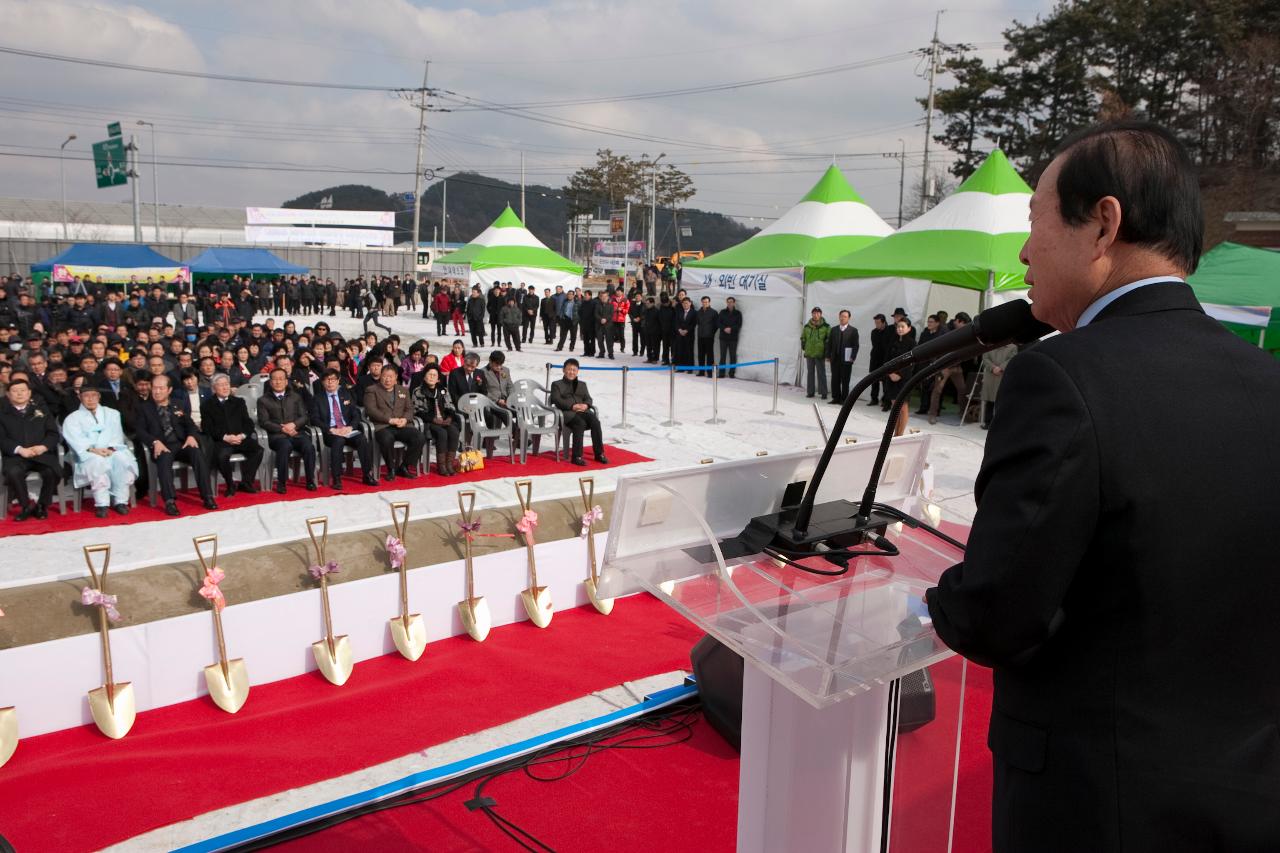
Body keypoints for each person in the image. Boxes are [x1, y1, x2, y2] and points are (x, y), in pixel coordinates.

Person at [926, 121, 1280, 852]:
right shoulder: (1266, 383)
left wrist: (936, 599)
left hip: (1096, 807)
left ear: (1103, 225)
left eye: (1036, 220)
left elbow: (996, 614)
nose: (1024, 251)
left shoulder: (1062, 375)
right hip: (1246, 800)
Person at [137, 374, 218, 515]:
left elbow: (190, 424)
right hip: (162, 445)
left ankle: (207, 496)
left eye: (161, 388)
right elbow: (140, 431)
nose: (156, 391)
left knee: (197, 453)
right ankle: (169, 501)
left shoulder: (178, 404)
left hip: (181, 443)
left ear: (169, 390)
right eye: (154, 388)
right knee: (163, 459)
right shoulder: (144, 408)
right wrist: (154, 442)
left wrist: (192, 436)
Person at [63, 385, 138, 517]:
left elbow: (117, 436)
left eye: (94, 395)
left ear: (99, 396)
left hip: (110, 450)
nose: (90, 399)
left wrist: (110, 449)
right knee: (97, 462)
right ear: (80, 397)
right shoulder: (72, 418)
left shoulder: (112, 413)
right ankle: (102, 503)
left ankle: (120, 501)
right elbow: (75, 440)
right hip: (88, 454)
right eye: (86, 396)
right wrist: (93, 450)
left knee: (122, 460)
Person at [0, 378, 61, 520]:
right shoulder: (2, 413)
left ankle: (42, 505)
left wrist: (43, 447)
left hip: (40, 454)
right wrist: (19, 449)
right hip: (16, 456)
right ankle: (25, 505)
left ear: (29, 393)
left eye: (23, 390)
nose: (19, 394)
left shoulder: (42, 410)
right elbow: (1, 439)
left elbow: (53, 433)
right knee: (13, 472)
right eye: (14, 391)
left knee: (52, 471)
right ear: (8, 395)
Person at [311, 368, 376, 490]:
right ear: (323, 382)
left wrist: (350, 427)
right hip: (331, 432)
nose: (330, 382)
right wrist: (331, 430)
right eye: (327, 380)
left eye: (333, 379)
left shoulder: (345, 394)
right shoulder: (317, 398)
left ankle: (367, 474)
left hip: (347, 429)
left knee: (362, 439)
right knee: (338, 441)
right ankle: (336, 478)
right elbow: (314, 419)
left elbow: (356, 414)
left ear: (338, 381)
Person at [200, 374, 264, 497]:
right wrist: (225, 437)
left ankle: (246, 482)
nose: (225, 388)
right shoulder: (207, 405)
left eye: (226, 385)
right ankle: (230, 484)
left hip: (240, 438)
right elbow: (207, 428)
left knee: (258, 450)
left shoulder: (239, 402)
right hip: (221, 440)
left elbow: (248, 422)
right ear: (214, 388)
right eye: (221, 385)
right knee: (222, 456)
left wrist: (243, 435)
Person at [256, 368, 318, 494]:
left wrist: (294, 424)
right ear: (270, 382)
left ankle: (310, 480)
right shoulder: (263, 400)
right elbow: (264, 422)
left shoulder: (296, 397)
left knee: (309, 447)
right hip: (277, 436)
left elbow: (304, 416)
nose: (278, 382)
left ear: (286, 381)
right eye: (274, 379)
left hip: (297, 433)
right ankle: (281, 482)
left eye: (281, 379)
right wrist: (282, 428)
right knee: (285, 446)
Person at [363, 364, 425, 482]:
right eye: (385, 376)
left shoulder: (403, 390)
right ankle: (391, 468)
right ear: (381, 376)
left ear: (396, 377)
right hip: (382, 426)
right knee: (387, 439)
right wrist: (389, 420)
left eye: (390, 377)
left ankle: (404, 466)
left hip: (401, 425)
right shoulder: (371, 390)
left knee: (419, 437)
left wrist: (405, 419)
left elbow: (410, 409)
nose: (387, 379)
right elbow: (371, 410)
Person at [549, 359, 607, 466]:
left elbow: (588, 398)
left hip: (584, 412)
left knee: (595, 422)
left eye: (574, 370)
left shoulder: (582, 384)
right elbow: (556, 400)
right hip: (567, 414)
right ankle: (577, 456)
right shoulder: (556, 384)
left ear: (577, 371)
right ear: (563, 370)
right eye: (569, 369)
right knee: (580, 423)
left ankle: (599, 454)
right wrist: (572, 406)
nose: (571, 372)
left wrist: (586, 405)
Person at [410, 364, 459, 476]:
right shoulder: (418, 391)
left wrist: (450, 417)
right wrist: (433, 419)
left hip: (444, 420)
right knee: (442, 433)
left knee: (454, 431)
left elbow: (450, 405)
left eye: (434, 375)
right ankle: (441, 465)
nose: (432, 377)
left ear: (438, 379)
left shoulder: (443, 390)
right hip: (429, 422)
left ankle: (449, 464)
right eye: (429, 374)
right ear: (424, 377)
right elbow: (417, 410)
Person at [927, 313, 971, 424]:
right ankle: (932, 414)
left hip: (957, 365)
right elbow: (939, 347)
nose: (966, 326)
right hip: (945, 366)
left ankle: (963, 413)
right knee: (937, 390)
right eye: (964, 324)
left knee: (962, 389)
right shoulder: (945, 330)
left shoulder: (962, 331)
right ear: (959, 321)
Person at [880, 318, 915, 435]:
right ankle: (893, 433)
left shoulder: (912, 343)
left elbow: (912, 362)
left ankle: (899, 435)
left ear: (909, 328)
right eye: (898, 326)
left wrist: (900, 374)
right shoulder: (892, 342)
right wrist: (890, 373)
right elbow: (886, 360)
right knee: (895, 407)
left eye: (903, 326)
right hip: (891, 378)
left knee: (903, 408)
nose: (900, 329)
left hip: (904, 379)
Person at [978, 343, 1016, 429]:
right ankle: (988, 422)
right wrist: (993, 368)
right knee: (990, 401)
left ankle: (1000, 424)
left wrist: (1001, 367)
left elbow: (1011, 359)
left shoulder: (1013, 347)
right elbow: (985, 358)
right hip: (990, 376)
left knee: (1001, 401)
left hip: (1003, 376)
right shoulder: (989, 345)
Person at [828, 310, 859, 404]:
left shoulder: (853, 330)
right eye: (841, 316)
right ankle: (835, 397)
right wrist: (828, 355)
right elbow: (829, 344)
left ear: (849, 318)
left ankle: (844, 399)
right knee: (835, 379)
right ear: (839, 317)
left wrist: (852, 357)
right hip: (835, 359)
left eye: (845, 316)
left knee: (845, 380)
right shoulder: (834, 329)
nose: (842, 318)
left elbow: (855, 345)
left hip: (847, 359)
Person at [801, 307, 830, 399]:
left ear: (821, 314)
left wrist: (826, 351)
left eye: (818, 313)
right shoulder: (807, 326)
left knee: (821, 373)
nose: (816, 315)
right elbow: (803, 336)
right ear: (812, 314)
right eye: (814, 313)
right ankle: (810, 392)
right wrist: (803, 344)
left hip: (819, 353)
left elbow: (829, 339)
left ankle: (823, 392)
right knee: (810, 373)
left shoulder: (826, 326)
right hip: (809, 353)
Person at [717, 297, 742, 378]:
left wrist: (731, 329)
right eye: (728, 302)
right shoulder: (722, 312)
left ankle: (732, 373)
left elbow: (739, 324)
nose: (729, 303)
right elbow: (718, 322)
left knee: (733, 356)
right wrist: (724, 328)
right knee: (722, 356)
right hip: (723, 337)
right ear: (726, 303)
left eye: (731, 302)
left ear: (734, 303)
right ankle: (721, 373)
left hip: (733, 338)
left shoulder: (738, 313)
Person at [866, 314, 887, 406]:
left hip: (885, 359)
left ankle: (885, 399)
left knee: (885, 381)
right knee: (874, 380)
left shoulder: (889, 331)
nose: (876, 324)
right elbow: (876, 344)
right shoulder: (874, 332)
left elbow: (886, 346)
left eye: (878, 323)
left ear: (884, 322)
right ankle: (874, 399)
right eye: (875, 323)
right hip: (875, 359)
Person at [695, 296, 718, 377]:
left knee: (709, 355)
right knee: (700, 354)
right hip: (700, 336)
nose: (705, 303)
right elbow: (697, 323)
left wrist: (711, 333)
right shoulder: (698, 312)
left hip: (709, 337)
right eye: (704, 302)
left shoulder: (713, 312)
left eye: (706, 302)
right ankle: (701, 372)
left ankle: (709, 372)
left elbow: (716, 325)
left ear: (709, 302)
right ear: (701, 302)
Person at [673, 296, 696, 372]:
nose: (685, 305)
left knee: (689, 351)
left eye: (686, 303)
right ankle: (680, 368)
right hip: (680, 335)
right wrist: (679, 330)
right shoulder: (679, 312)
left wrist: (687, 330)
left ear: (690, 303)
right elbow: (676, 323)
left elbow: (693, 323)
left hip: (689, 335)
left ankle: (689, 368)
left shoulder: (694, 312)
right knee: (680, 351)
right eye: (684, 303)